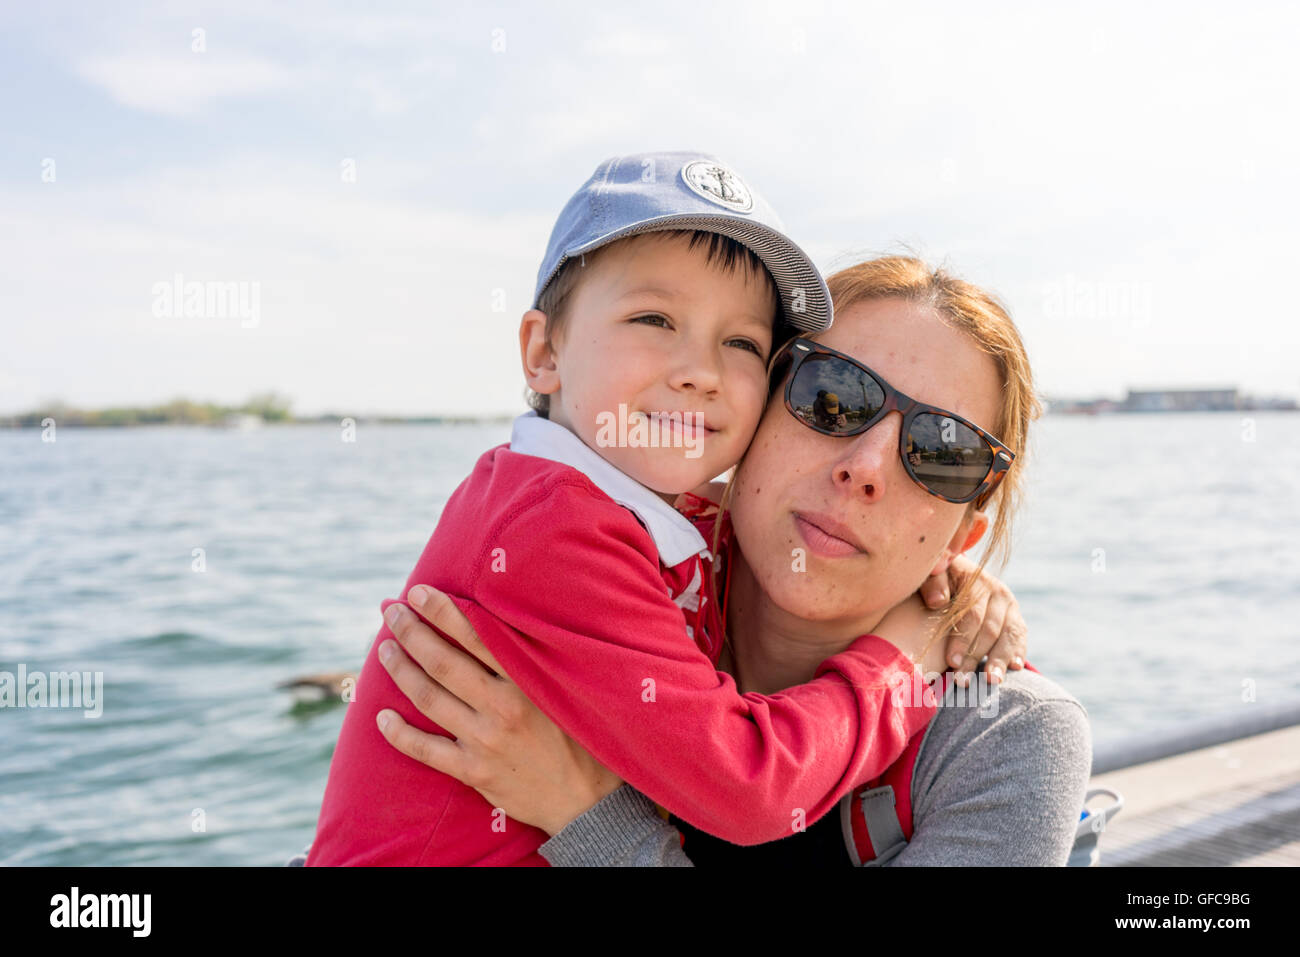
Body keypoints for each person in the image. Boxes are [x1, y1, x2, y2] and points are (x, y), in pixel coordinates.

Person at [305, 155, 1028, 866]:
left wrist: (958, 591)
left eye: (943, 453)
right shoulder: (555, 526)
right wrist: (901, 655)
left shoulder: (634, 521)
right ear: (542, 352)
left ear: (966, 531)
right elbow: (751, 786)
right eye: (833, 397)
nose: (700, 371)